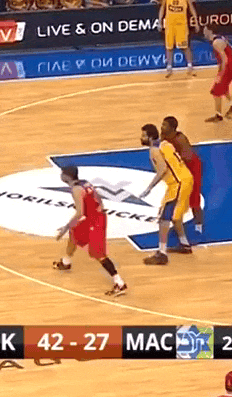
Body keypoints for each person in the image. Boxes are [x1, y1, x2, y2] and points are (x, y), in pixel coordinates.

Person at [52, 165, 128, 297]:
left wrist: (65, 228)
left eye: (62, 173)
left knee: (99, 254)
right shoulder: (85, 183)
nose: (60, 175)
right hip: (91, 216)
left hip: (95, 220)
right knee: (74, 234)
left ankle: (119, 283)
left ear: (67, 176)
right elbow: (98, 200)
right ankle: (66, 262)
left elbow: (79, 213)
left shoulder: (76, 189)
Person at [138, 123, 194, 265]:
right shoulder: (164, 144)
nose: (141, 138)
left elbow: (162, 169)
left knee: (164, 219)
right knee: (175, 216)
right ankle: (184, 244)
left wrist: (149, 188)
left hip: (178, 184)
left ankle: (162, 254)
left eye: (144, 136)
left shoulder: (154, 150)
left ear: (151, 137)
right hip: (186, 178)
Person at [161, 116, 205, 234]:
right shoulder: (164, 136)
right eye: (162, 124)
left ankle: (199, 226)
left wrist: (175, 159)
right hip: (181, 168)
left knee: (194, 198)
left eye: (165, 125)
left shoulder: (180, 139)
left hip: (192, 167)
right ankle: (175, 222)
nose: (162, 127)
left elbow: (188, 157)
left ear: (172, 128)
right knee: (175, 196)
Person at [159, 0, 197, 78]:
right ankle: (169, 68)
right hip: (169, 24)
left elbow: (192, 10)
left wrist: (196, 22)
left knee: (185, 46)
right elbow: (162, 8)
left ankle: (190, 67)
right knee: (169, 47)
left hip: (181, 25)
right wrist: (160, 21)